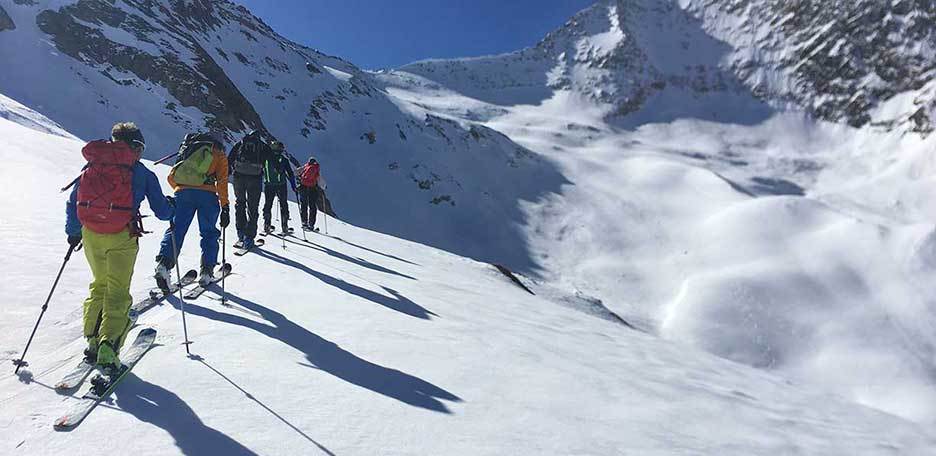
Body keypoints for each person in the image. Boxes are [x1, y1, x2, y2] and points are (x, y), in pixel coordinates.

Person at [65, 122, 173, 373]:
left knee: (99, 285)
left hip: (91, 234)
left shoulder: (93, 165)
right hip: (121, 236)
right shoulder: (142, 173)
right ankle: (109, 348)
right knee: (117, 291)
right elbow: (162, 211)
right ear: (136, 146)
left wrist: (73, 232)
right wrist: (173, 207)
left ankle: (93, 341)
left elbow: (73, 201)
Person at [154, 133, 230, 287]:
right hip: (208, 195)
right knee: (209, 233)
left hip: (183, 194)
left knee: (176, 230)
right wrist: (225, 206)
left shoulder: (188, 149)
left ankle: (163, 265)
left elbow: (172, 177)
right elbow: (222, 181)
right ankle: (206, 271)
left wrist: (180, 189)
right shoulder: (218, 154)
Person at [228, 130, 271, 249]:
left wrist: (229, 171)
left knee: (240, 204)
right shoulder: (262, 146)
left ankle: (240, 234)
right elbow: (272, 160)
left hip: (238, 177)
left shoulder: (241, 143)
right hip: (255, 179)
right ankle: (249, 238)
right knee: (253, 207)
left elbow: (230, 158)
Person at [262, 140, 297, 234]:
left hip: (269, 185)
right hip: (281, 185)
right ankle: (284, 226)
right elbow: (290, 173)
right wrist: (294, 186)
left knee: (268, 204)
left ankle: (267, 225)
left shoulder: (266, 158)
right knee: (283, 204)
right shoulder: (284, 159)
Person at [297, 157, 326, 231]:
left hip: (303, 187)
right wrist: (324, 186)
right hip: (312, 189)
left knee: (304, 205)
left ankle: (304, 222)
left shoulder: (306, 166)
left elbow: (296, 172)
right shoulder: (316, 168)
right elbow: (320, 179)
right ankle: (311, 224)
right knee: (312, 206)